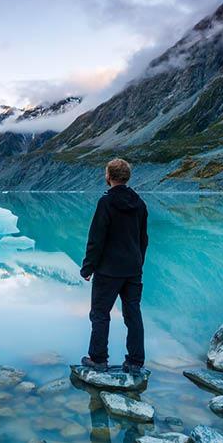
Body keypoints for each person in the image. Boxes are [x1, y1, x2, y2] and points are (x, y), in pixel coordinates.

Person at [80, 158, 148, 374]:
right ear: (127, 177)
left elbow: (96, 239)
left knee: (100, 314)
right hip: (132, 269)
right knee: (133, 314)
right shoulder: (139, 203)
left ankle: (99, 359)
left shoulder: (106, 202)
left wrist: (88, 268)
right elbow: (143, 239)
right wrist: (138, 262)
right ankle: (135, 362)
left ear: (108, 176)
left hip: (108, 270)